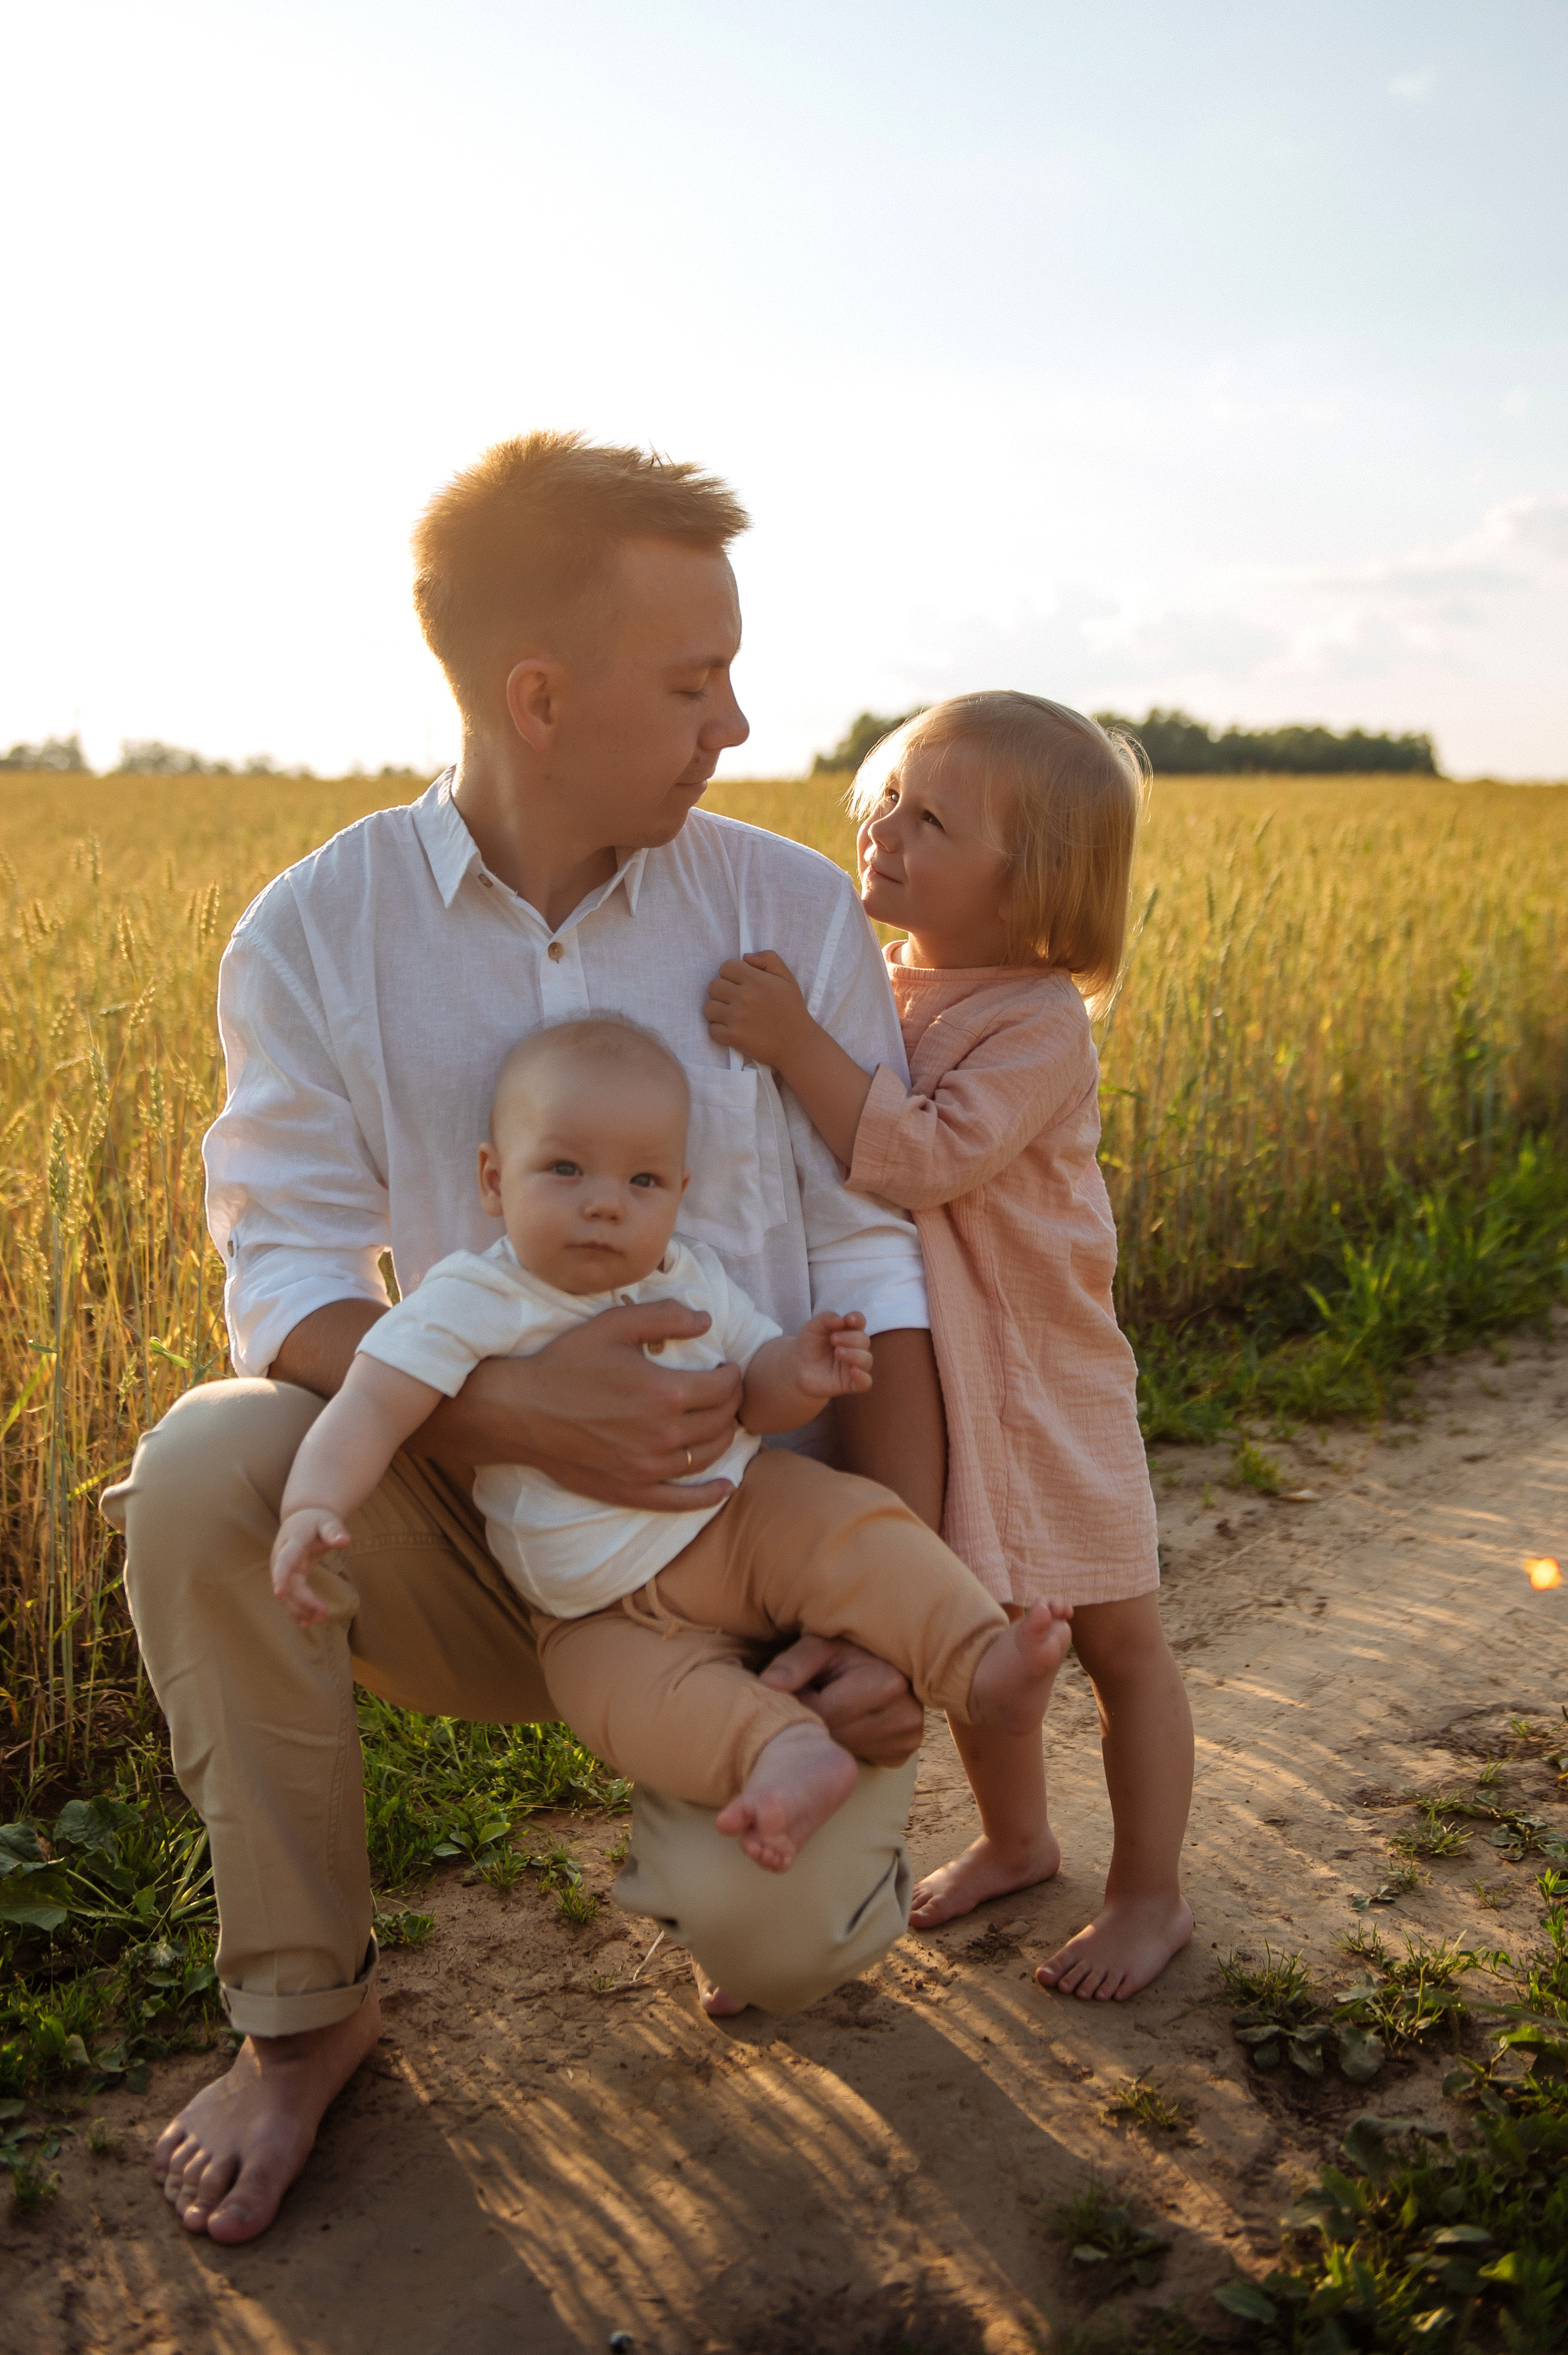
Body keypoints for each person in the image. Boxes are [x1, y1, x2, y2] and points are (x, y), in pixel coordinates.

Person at [101, 432, 949, 2247]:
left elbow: (882, 1270)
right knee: (203, 1465)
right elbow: (291, 1277)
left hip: (757, 1558)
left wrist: (903, 1615)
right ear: (539, 695)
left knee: (780, 1945)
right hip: (493, 1556)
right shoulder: (316, 933)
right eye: (694, 679)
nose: (737, 720)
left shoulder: (783, 911)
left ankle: (724, 1818)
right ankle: (307, 2017)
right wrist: (506, 1414)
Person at [272, 1013, 1074, 1871]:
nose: (606, 1200)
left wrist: (797, 1371)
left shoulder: (689, 1279)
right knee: (628, 1703)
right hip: (593, 1610)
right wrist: (313, 1502)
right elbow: (371, 1404)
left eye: (644, 1179)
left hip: (740, 1525)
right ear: (494, 1179)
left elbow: (754, 1391)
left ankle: (978, 1657)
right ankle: (780, 1754)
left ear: (680, 1193)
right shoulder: (475, 1297)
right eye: (565, 1168)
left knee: (852, 1528)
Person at [704, 690, 1196, 2003]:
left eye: (932, 820)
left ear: (1028, 879)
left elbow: (924, 1159)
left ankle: (1148, 1897)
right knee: (983, 1627)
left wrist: (795, 1043)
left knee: (1113, 1643)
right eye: (885, 800)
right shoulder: (884, 985)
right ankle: (1018, 1840)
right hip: (955, 1384)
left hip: (1046, 1383)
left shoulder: (1034, 1020)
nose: (885, 831)